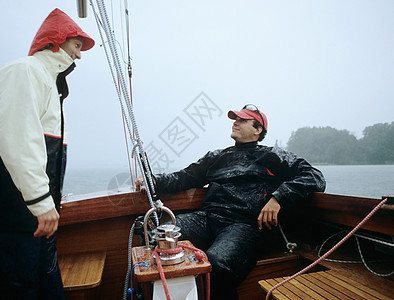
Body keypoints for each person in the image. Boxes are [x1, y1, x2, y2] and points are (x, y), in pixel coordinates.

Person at [0, 8, 95, 299]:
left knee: (45, 289)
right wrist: (42, 201)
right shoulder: (25, 71)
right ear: (57, 41)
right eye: (77, 46)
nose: (79, 55)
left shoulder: (47, 83)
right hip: (9, 217)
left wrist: (47, 201)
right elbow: (19, 141)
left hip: (29, 217)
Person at [136, 104, 326, 299]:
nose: (235, 122)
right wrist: (153, 181)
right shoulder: (216, 157)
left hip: (244, 224)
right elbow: (183, 177)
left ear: (257, 129)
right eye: (235, 119)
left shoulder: (273, 156)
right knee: (153, 233)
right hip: (207, 218)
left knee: (217, 264)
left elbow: (314, 177)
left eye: (242, 120)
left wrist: (279, 197)